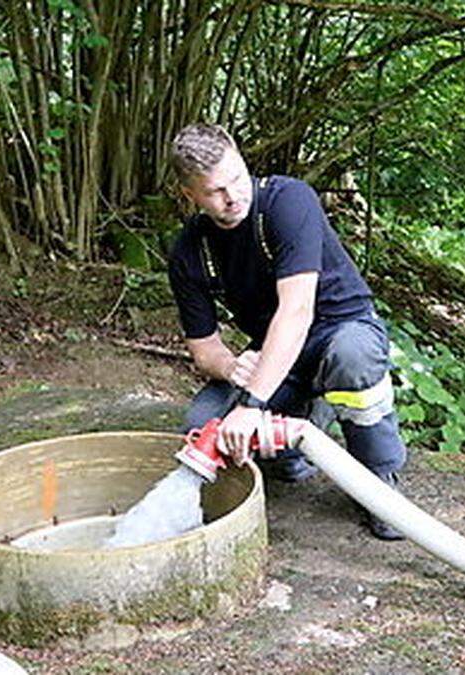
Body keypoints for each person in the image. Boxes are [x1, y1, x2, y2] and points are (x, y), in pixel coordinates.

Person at [166, 123, 407, 540]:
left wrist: (252, 404)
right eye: (215, 192)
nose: (233, 196)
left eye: (237, 178)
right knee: (204, 421)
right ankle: (297, 442)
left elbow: (296, 312)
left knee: (351, 360)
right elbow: (204, 349)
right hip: (279, 352)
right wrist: (231, 367)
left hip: (341, 327)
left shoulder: (288, 201)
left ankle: (378, 483)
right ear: (190, 195)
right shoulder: (190, 251)